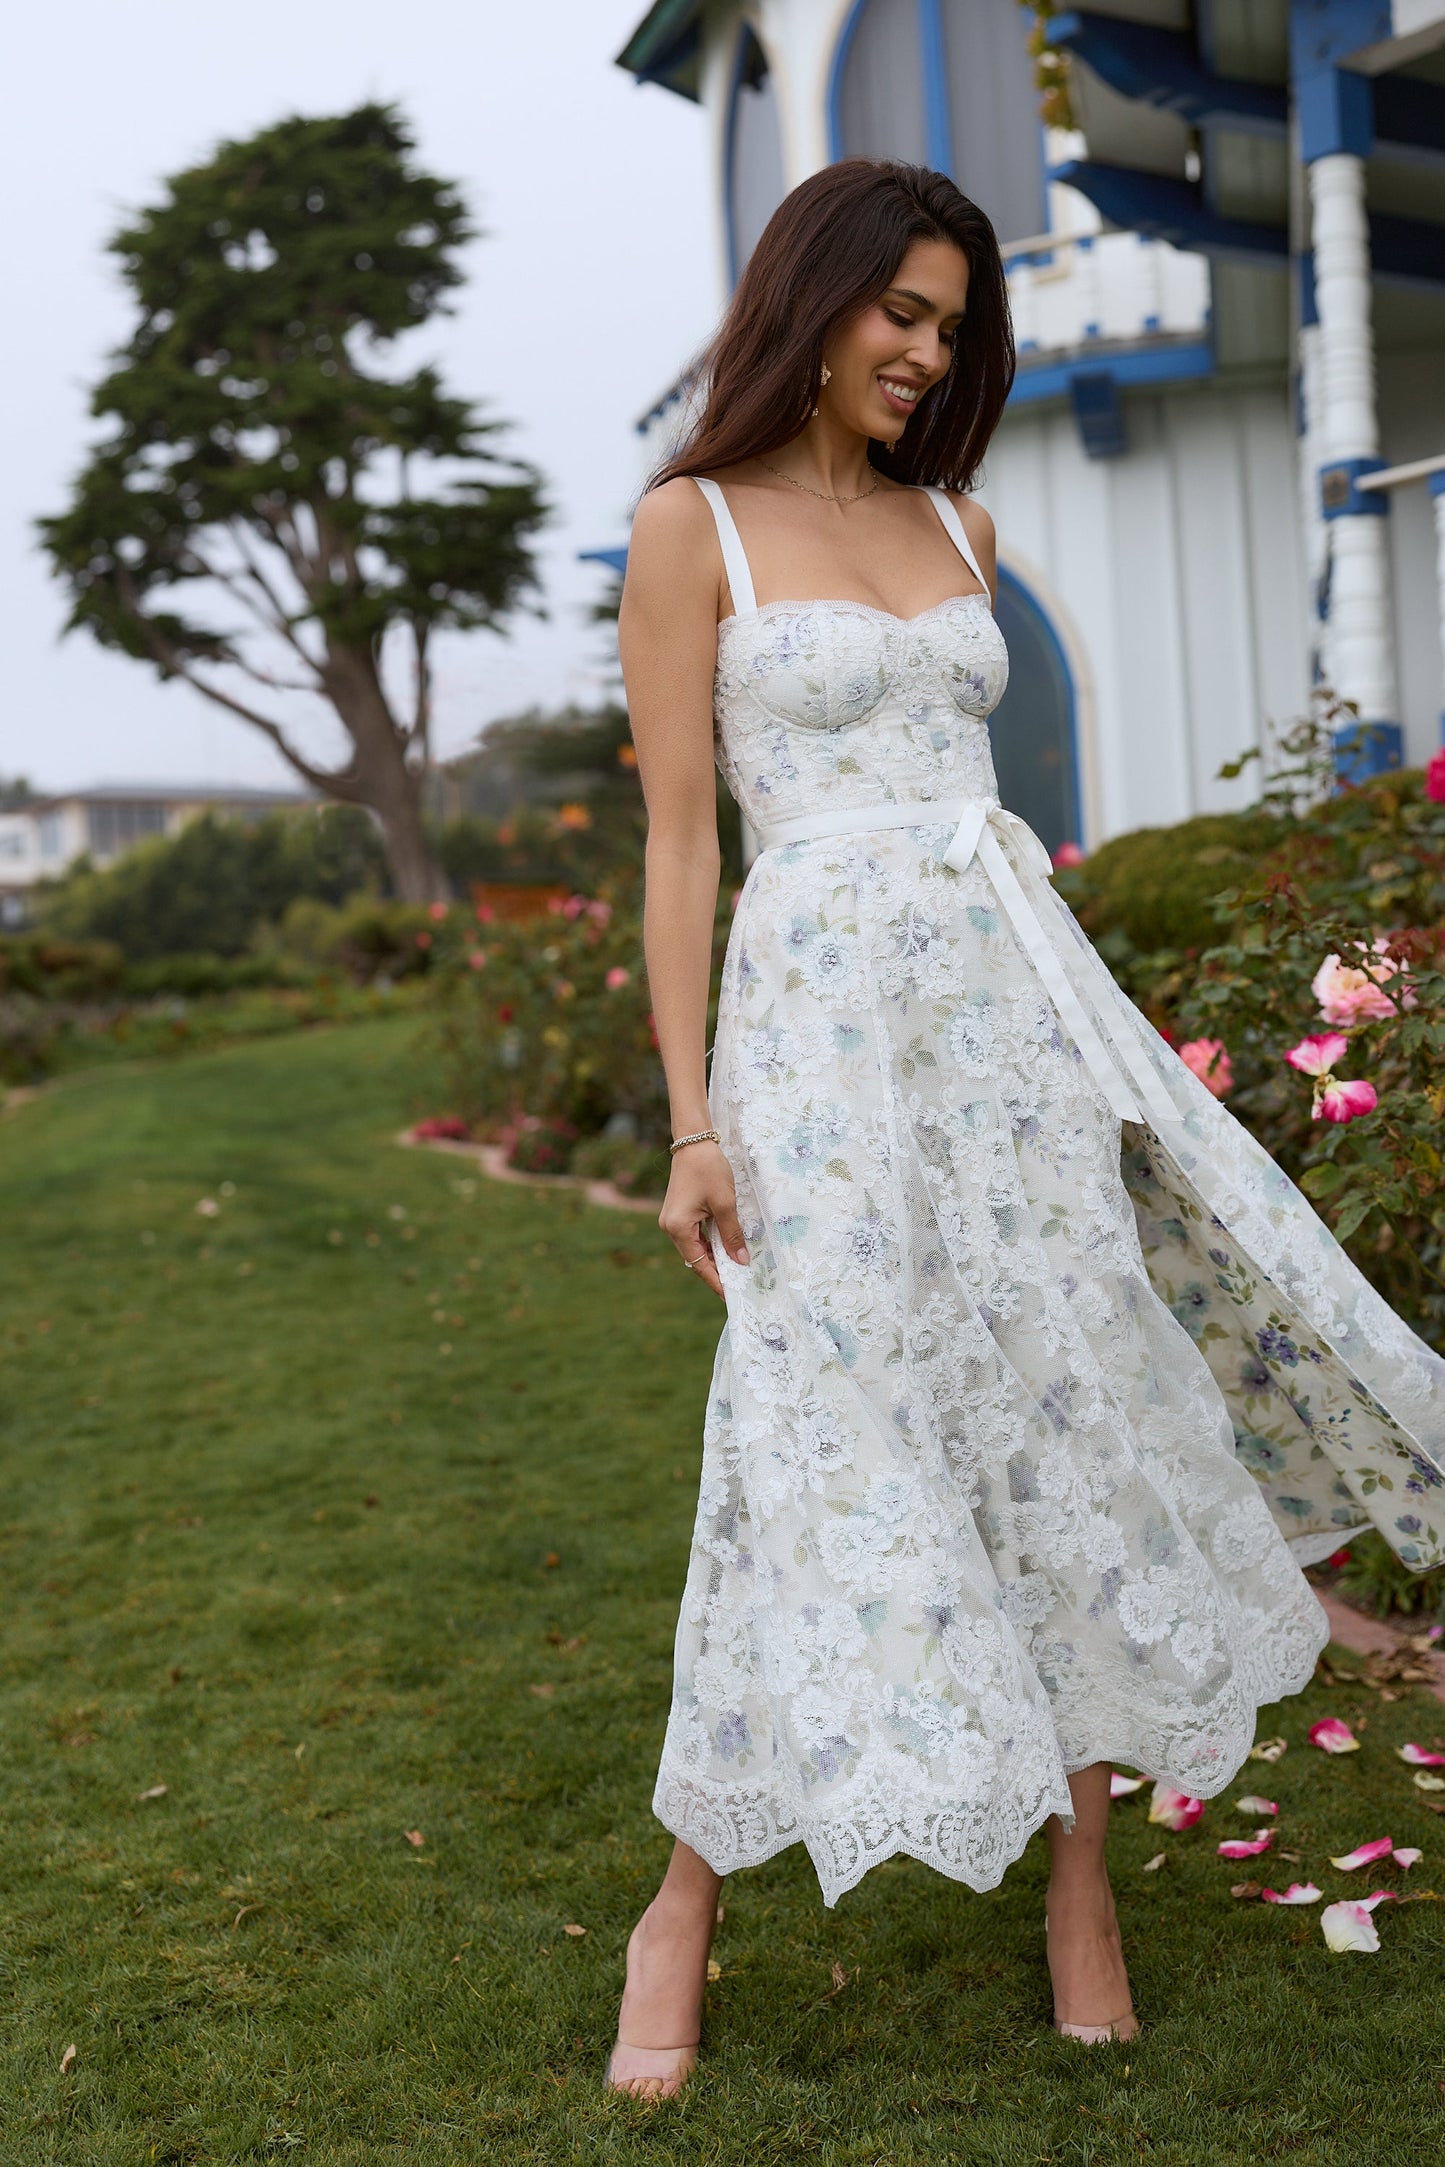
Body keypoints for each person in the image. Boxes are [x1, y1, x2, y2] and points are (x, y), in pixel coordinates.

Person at [607, 158, 1445, 2096]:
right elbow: (676, 849)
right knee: (813, 1423)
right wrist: (687, 1122)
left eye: (949, 323)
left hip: (1007, 1033)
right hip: (818, 1050)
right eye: (900, 311)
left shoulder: (963, 524)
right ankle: (688, 1890)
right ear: (811, 297)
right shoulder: (691, 529)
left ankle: (1082, 1873)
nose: (928, 349)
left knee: (1064, 1403)